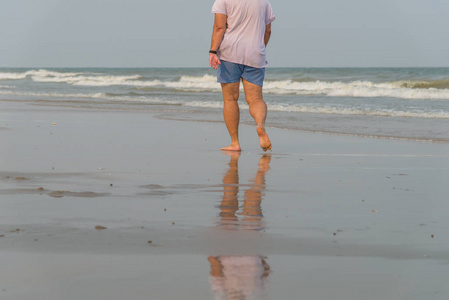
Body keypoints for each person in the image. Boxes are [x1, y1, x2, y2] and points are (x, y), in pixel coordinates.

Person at [209, 0, 275, 152]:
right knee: (256, 99)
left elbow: (219, 27)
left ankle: (235, 143)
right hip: (255, 53)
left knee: (230, 98)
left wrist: (213, 51)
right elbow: (268, 30)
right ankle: (260, 125)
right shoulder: (264, 2)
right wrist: (259, 48)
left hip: (229, 53)